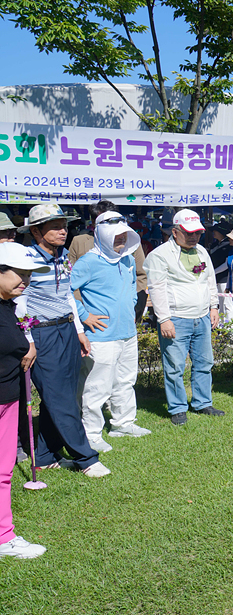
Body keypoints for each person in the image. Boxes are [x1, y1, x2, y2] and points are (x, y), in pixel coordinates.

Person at [15, 204, 107, 477]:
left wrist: (78, 330)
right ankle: (86, 457)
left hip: (66, 329)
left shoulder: (64, 256)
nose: (62, 231)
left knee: (62, 395)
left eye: (64, 225)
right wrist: (29, 341)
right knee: (60, 399)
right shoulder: (26, 259)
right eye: (54, 226)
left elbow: (68, 295)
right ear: (35, 231)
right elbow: (21, 304)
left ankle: (44, 454)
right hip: (42, 334)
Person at [69, 210, 151, 453]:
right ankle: (91, 433)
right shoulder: (88, 262)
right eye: (116, 237)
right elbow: (67, 293)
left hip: (127, 331)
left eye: (124, 236)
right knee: (97, 387)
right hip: (101, 336)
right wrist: (84, 316)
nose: (121, 240)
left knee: (125, 380)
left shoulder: (126, 259)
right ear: (102, 235)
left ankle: (123, 423)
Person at [144, 209, 224, 426]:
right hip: (176, 318)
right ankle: (178, 407)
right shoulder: (159, 255)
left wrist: (214, 307)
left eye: (197, 233)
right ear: (175, 231)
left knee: (204, 362)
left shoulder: (202, 252)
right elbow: (157, 289)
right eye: (189, 233)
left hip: (202, 317)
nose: (194, 237)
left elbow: (210, 280)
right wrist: (164, 319)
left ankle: (202, 402)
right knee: (175, 366)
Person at [0, 242, 49, 559]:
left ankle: (4, 537)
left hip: (9, 398)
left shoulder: (10, 307)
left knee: (3, 472)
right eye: (19, 273)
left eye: (30, 274)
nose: (26, 280)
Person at [67, 200, 149, 324]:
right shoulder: (79, 243)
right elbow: (70, 284)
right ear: (95, 222)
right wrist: (84, 312)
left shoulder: (129, 244)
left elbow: (140, 276)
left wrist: (133, 309)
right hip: (92, 317)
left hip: (124, 317)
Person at [207, 222, 233, 323]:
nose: (213, 233)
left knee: (227, 304)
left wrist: (213, 272)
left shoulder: (229, 245)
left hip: (224, 278)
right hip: (215, 279)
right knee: (218, 303)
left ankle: (230, 326)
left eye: (215, 231)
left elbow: (227, 263)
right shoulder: (214, 244)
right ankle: (220, 325)